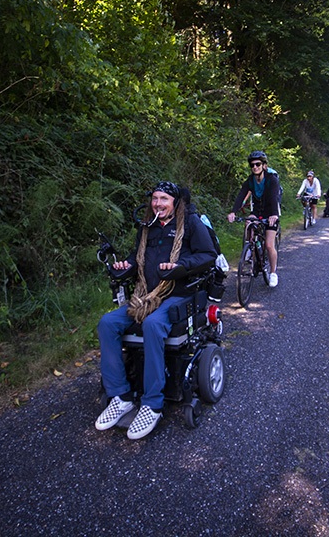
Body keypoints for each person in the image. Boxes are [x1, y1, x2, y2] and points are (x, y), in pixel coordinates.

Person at [95, 181, 217, 439]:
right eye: (154, 198)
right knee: (108, 323)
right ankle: (121, 396)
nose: (157, 203)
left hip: (178, 294)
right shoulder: (147, 227)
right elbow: (136, 258)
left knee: (152, 325)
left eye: (164, 199)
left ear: (175, 202)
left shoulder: (191, 224)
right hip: (145, 295)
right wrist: (123, 267)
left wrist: (180, 267)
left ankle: (152, 404)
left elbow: (208, 255)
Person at [227, 150, 280, 287]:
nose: (255, 167)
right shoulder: (250, 181)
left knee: (269, 245)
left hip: (271, 212)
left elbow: (274, 198)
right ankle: (249, 247)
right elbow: (241, 196)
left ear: (264, 165)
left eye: (258, 164)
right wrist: (233, 212)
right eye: (252, 165)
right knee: (248, 221)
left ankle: (273, 273)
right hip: (257, 211)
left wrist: (274, 214)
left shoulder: (271, 179)